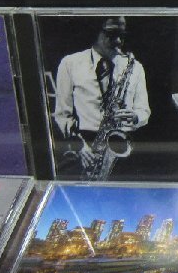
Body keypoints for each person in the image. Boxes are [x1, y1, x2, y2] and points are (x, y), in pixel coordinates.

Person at [52, 16, 150, 178]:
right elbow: (62, 115)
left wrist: (135, 117)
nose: (118, 41)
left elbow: (144, 110)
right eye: (111, 34)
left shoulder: (135, 67)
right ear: (95, 32)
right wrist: (79, 146)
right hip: (85, 145)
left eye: (122, 35)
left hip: (123, 146)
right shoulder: (70, 63)